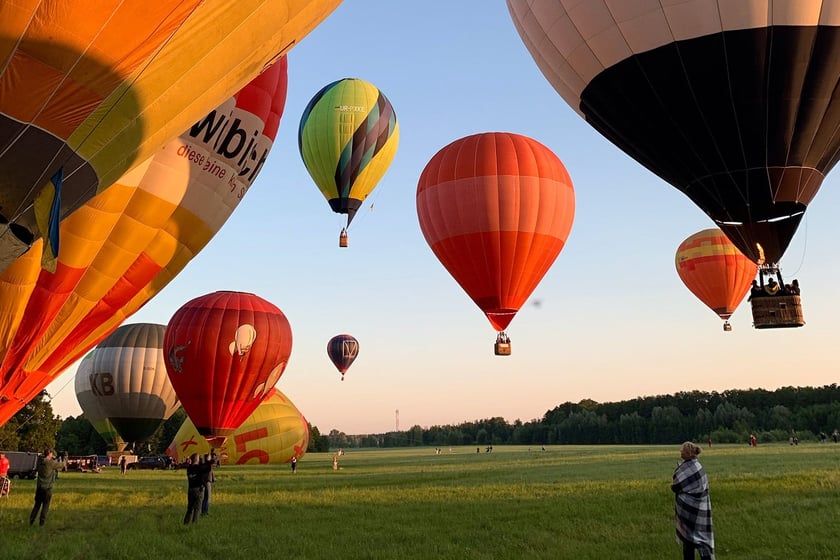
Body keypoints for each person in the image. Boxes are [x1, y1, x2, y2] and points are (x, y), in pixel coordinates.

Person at [672, 442, 715, 559]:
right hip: (701, 509)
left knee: (688, 540)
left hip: (688, 510)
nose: (680, 452)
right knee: (703, 540)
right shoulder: (698, 466)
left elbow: (675, 486)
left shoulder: (687, 468)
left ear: (688, 453)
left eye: (682, 450)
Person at [29, 449, 62, 526]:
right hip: (47, 488)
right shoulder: (50, 463)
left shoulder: (40, 462)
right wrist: (65, 457)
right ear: (49, 454)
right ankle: (42, 522)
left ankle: (31, 520)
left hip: (39, 487)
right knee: (45, 505)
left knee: (37, 505)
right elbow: (61, 465)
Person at [183, 453, 212, 525]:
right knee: (197, 508)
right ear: (196, 459)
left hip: (190, 489)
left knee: (190, 508)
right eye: (199, 458)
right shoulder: (199, 468)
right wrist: (208, 460)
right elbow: (208, 469)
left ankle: (186, 523)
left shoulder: (189, 468)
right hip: (198, 489)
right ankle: (194, 523)